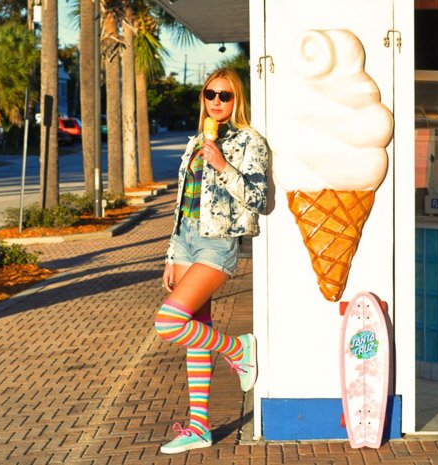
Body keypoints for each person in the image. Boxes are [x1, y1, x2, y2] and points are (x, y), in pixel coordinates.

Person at [154, 68, 269, 454]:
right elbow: (181, 205)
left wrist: (222, 164)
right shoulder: (193, 143)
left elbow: (258, 199)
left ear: (237, 101)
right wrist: (171, 255)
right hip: (185, 241)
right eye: (210, 94)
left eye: (226, 95)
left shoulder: (250, 141)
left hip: (216, 244)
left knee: (169, 323)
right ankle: (200, 428)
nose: (216, 101)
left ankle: (239, 350)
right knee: (195, 330)